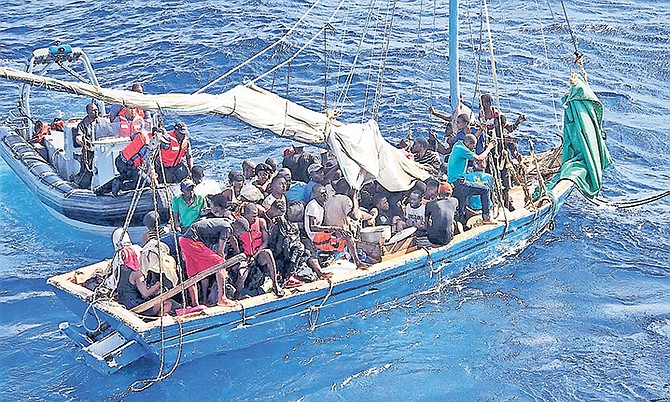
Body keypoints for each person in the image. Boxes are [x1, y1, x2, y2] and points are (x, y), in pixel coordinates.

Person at [304, 184, 367, 268]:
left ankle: (355, 260)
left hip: (320, 235)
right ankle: (357, 262)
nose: (325, 195)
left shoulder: (321, 205)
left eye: (325, 193)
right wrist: (333, 228)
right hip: (315, 238)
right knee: (347, 237)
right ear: (315, 195)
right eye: (322, 193)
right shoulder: (313, 206)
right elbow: (312, 227)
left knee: (346, 235)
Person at [179, 218, 238, 307]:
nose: (240, 235)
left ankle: (195, 305)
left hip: (184, 241)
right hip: (193, 242)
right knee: (220, 263)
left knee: (192, 274)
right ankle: (222, 298)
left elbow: (233, 240)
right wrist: (224, 269)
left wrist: (237, 251)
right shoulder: (227, 228)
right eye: (241, 233)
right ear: (237, 228)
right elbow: (220, 252)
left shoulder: (225, 223)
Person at [230, 203, 284, 297]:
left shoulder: (261, 222)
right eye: (253, 216)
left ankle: (275, 284)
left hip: (258, 254)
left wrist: (255, 255)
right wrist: (243, 258)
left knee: (268, 253)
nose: (255, 218)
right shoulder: (239, 225)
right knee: (242, 273)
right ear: (245, 215)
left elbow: (265, 242)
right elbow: (235, 246)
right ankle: (237, 295)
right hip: (244, 257)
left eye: (256, 215)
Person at [447, 134, 497, 226]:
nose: (473, 149)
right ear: (468, 143)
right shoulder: (462, 149)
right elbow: (480, 158)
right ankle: (486, 218)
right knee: (485, 190)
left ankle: (459, 226)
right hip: (460, 184)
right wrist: (489, 147)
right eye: (472, 146)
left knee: (461, 209)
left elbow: (471, 138)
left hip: (453, 184)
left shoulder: (458, 145)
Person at [115, 245, 176, 315]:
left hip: (122, 301)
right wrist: (158, 284)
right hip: (135, 306)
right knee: (168, 303)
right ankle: (158, 318)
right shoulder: (137, 274)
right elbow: (146, 293)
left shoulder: (120, 269)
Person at [72, 103, 103, 189]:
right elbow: (78, 136)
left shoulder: (102, 122)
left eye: (96, 109)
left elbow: (110, 132)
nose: (96, 111)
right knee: (87, 170)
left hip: (102, 149)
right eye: (93, 110)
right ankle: (83, 187)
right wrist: (81, 141)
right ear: (88, 112)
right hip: (90, 151)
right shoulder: (82, 125)